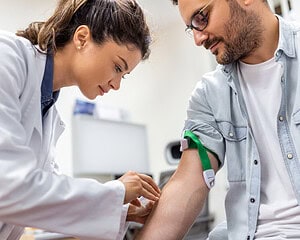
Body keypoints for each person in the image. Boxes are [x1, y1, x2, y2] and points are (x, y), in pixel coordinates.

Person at [136, 0, 300, 239]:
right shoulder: (209, 95)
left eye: (201, 18)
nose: (198, 39)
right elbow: (187, 183)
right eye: (191, 28)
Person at [0, 0, 161, 239]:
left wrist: (119, 211)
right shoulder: (7, 57)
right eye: (118, 67)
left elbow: (45, 200)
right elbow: (9, 187)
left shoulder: (49, 111)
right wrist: (116, 191)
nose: (116, 85)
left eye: (123, 76)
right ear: (82, 38)